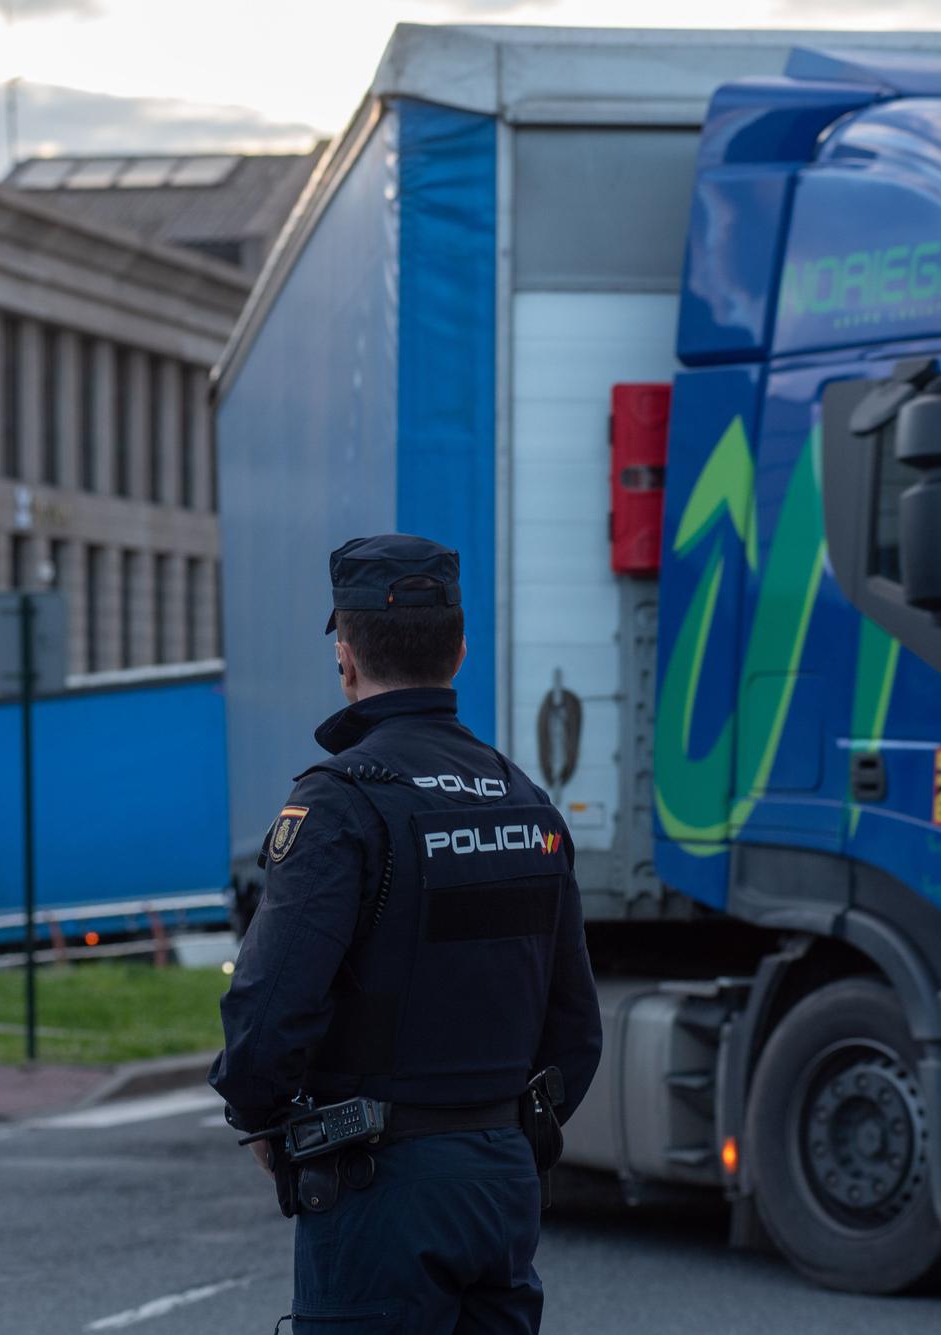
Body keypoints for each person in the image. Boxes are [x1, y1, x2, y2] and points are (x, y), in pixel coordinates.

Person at [211, 533, 602, 1334]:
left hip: (377, 1188)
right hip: (501, 1185)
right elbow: (576, 1031)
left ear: (345, 657)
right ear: (459, 651)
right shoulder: (525, 801)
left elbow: (268, 1008)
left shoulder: (340, 805)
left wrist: (263, 1118)